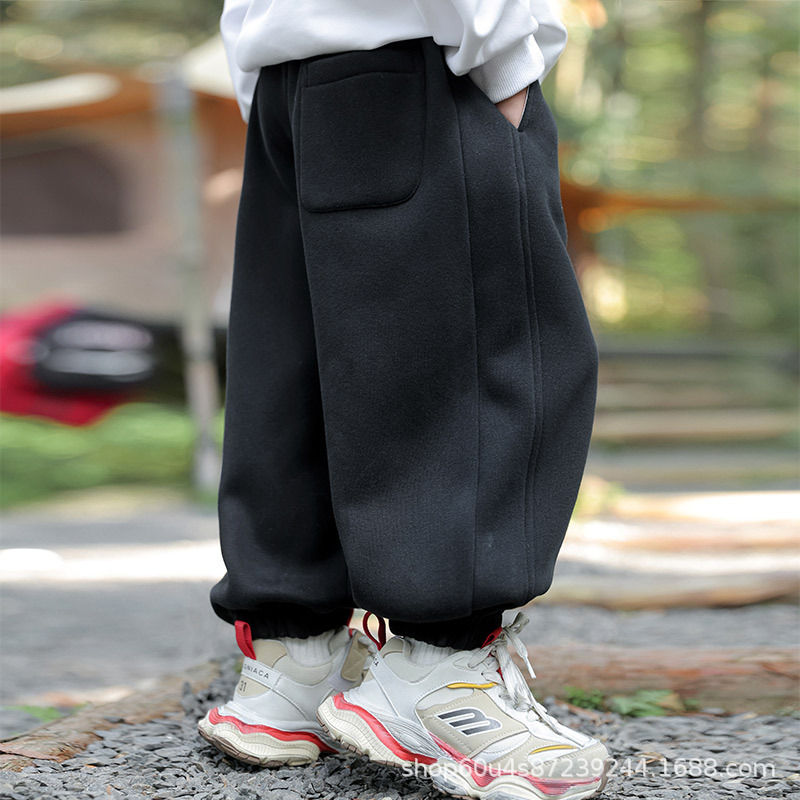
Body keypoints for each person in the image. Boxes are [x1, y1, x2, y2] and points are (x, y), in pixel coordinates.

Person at [198, 1, 608, 798]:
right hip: (426, 63)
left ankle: (290, 670)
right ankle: (439, 677)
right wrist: (507, 63)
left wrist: (267, 82)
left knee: (300, 362)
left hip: (289, 80)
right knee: (482, 363)